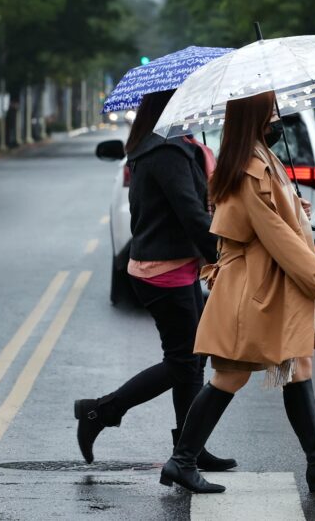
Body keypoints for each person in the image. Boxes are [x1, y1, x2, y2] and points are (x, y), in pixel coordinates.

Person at [158, 91, 315, 494]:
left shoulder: (257, 158)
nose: (277, 117)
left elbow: (273, 218)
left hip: (268, 283)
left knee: (298, 365)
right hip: (253, 288)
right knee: (230, 375)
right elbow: (275, 235)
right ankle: (181, 461)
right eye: (270, 110)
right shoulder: (250, 167)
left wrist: (294, 206)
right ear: (254, 116)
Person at [73, 89, 236, 473]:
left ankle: (189, 447)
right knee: (184, 361)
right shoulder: (165, 151)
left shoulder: (173, 145)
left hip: (175, 264)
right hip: (162, 269)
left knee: (192, 358)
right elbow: (190, 213)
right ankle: (100, 411)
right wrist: (222, 256)